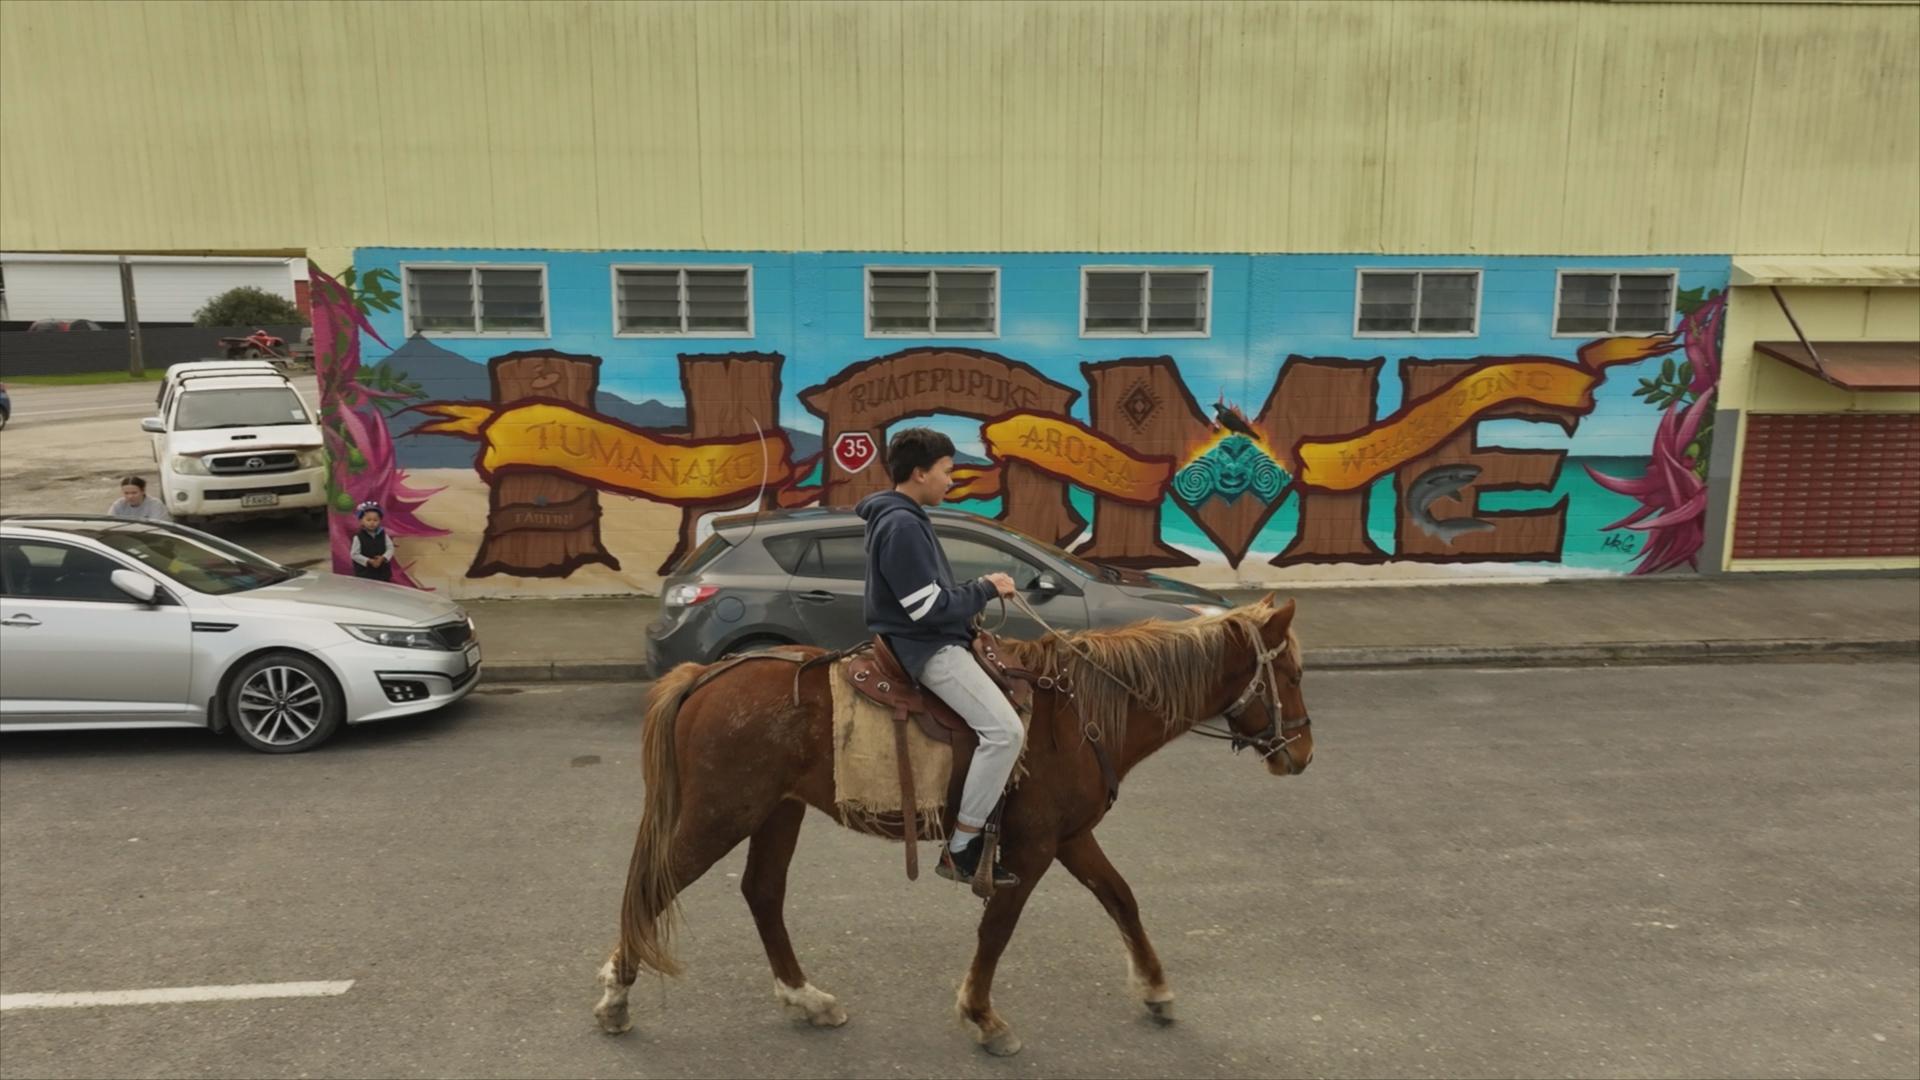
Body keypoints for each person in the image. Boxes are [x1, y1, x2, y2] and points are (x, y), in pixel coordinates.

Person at [856, 427, 1022, 888]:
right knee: (1006, 732)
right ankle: (962, 846)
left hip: (926, 638)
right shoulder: (902, 524)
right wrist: (986, 588)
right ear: (920, 472)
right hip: (927, 648)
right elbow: (926, 608)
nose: (953, 480)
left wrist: (975, 590)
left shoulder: (901, 517)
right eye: (948, 471)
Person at [349, 500, 395, 582]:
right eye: (368, 520)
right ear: (361, 521)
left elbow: (390, 548)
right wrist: (369, 561)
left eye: (375, 520)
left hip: (383, 572)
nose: (372, 523)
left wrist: (383, 558)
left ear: (380, 521)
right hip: (365, 573)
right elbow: (354, 554)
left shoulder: (383, 535)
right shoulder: (358, 537)